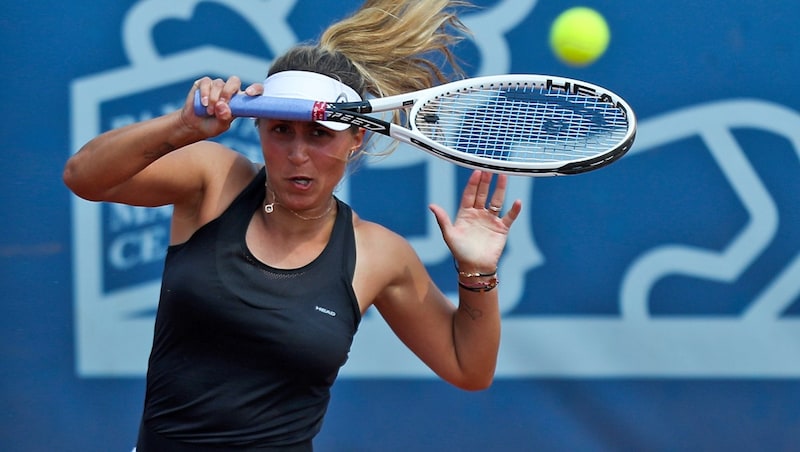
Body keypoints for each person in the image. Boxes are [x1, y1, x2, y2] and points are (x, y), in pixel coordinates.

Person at [64, 0, 522, 450]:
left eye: (319, 134)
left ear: (356, 139)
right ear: (259, 128)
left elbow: (469, 368)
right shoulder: (213, 180)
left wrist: (477, 272)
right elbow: (83, 176)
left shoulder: (378, 254)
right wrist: (182, 127)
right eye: (281, 130)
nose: (298, 155)